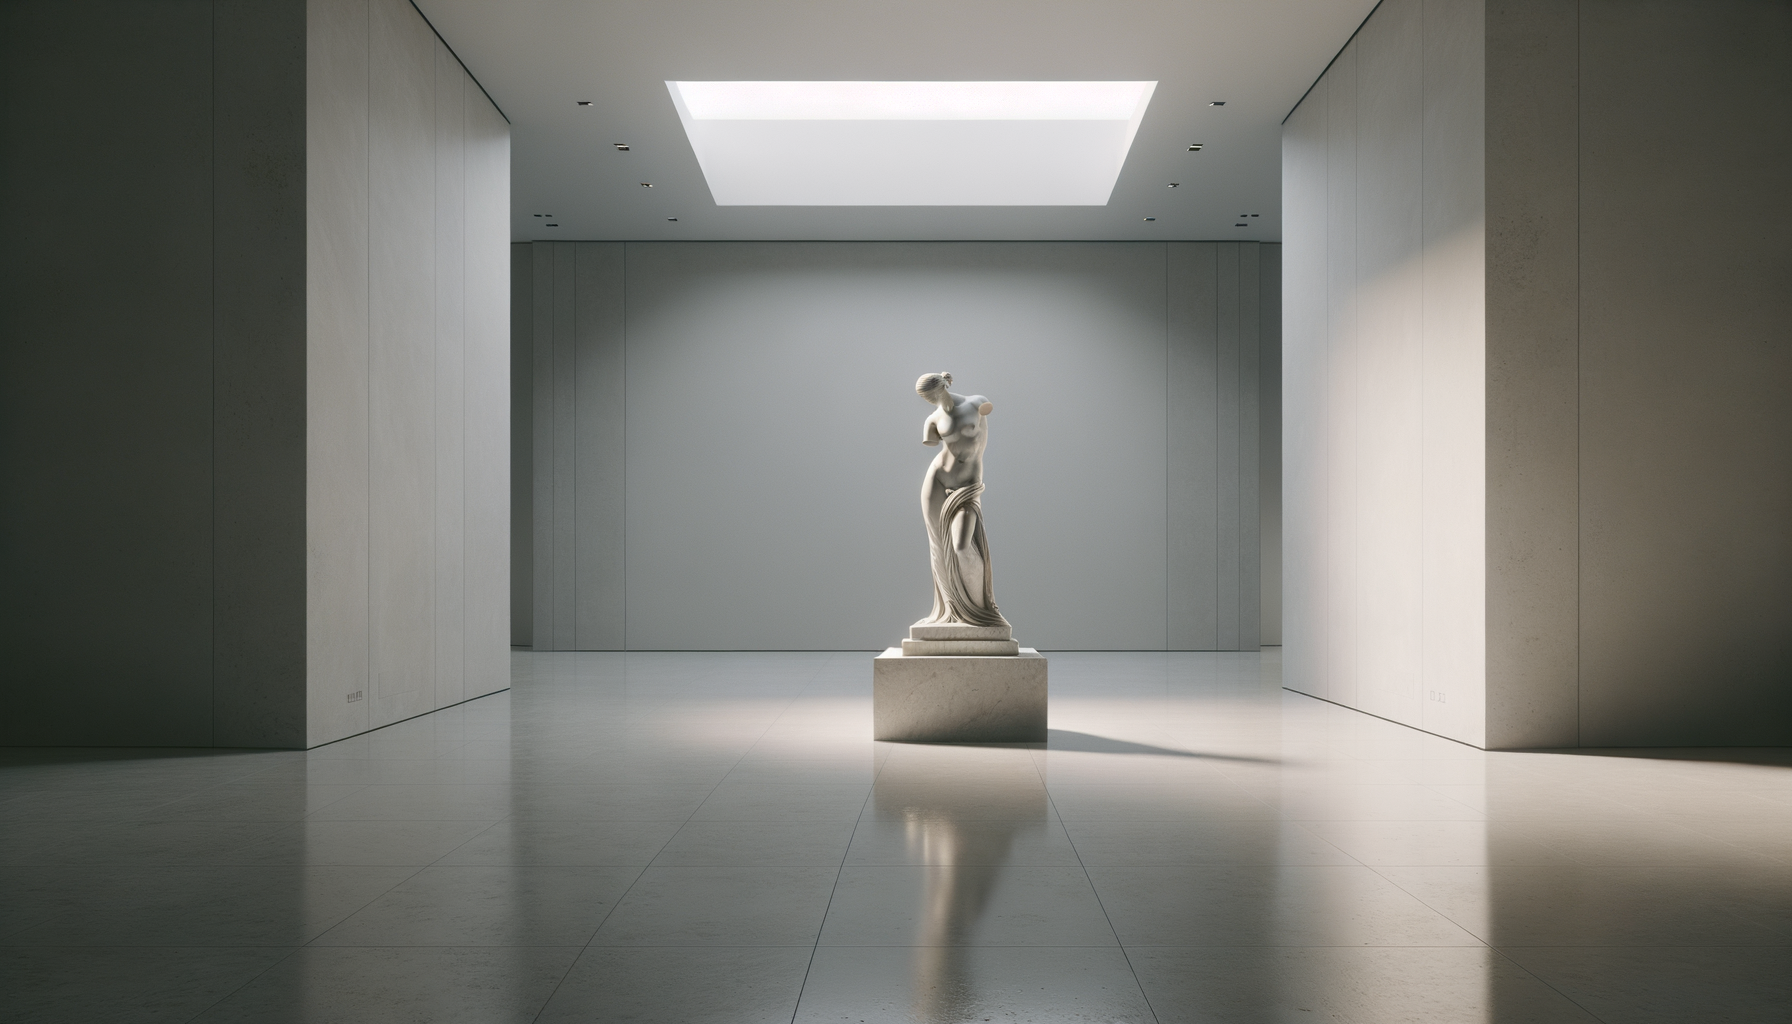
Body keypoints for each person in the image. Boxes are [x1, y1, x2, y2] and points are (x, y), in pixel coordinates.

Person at [915, 372, 1009, 628]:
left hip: (967, 485)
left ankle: (981, 612)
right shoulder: (933, 420)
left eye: (933, 394)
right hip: (937, 482)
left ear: (944, 385)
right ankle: (948, 610)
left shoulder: (977, 402)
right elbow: (933, 444)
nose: (932, 401)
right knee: (938, 546)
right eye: (927, 399)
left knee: (961, 546)